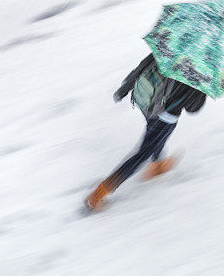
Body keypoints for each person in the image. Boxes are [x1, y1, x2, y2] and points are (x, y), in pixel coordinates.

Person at [85, 53, 206, 211]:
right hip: (165, 115)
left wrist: (125, 88)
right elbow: (192, 108)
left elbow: (145, 64)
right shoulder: (201, 70)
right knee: (143, 153)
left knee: (154, 136)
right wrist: (202, 91)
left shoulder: (171, 46)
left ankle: (158, 165)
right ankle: (99, 193)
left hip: (147, 101)